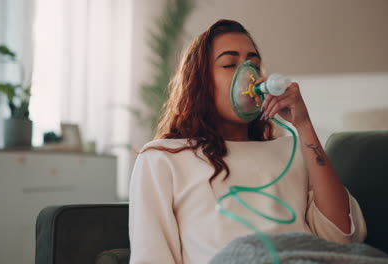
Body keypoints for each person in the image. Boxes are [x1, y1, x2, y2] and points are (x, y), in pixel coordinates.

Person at [128, 19, 366, 264]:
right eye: (230, 64)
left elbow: (341, 236)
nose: (248, 75)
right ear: (200, 82)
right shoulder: (163, 158)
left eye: (254, 65)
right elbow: (151, 257)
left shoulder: (291, 151)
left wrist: (303, 124)